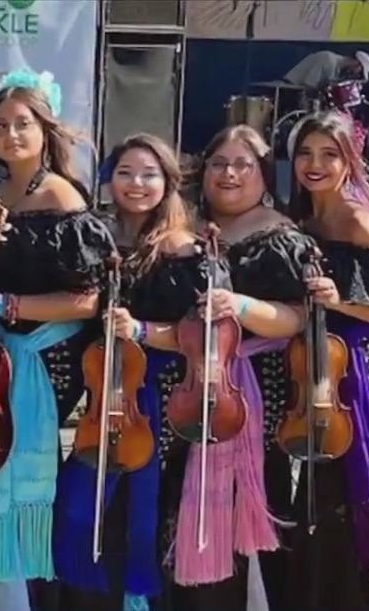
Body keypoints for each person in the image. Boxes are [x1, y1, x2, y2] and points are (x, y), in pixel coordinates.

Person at [0, 68, 115, 611]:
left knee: (20, 470)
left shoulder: (62, 198)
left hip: (47, 357)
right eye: (0, 126)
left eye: (21, 124)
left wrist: (5, 306)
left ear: (44, 130)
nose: (10, 136)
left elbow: (89, 299)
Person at [54, 133, 217, 611]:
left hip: (157, 395)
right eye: (125, 172)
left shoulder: (182, 248)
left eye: (149, 174)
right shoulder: (99, 237)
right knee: (79, 504)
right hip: (103, 388)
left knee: (137, 509)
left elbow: (198, 332)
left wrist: (141, 330)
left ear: (168, 182)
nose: (136, 183)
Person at [162, 124, 314, 611]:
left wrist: (240, 307)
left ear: (264, 174)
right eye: (217, 164)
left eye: (241, 164)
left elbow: (296, 318)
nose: (228, 174)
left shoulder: (281, 234)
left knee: (250, 513)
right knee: (176, 503)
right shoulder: (182, 230)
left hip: (249, 394)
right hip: (185, 389)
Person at [287, 110, 369, 611]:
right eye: (306, 152)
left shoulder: (360, 221)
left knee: (347, 495)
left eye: (329, 154)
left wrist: (336, 299)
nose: (315, 164)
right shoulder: (300, 219)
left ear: (350, 161)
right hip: (307, 369)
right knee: (313, 501)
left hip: (352, 375)